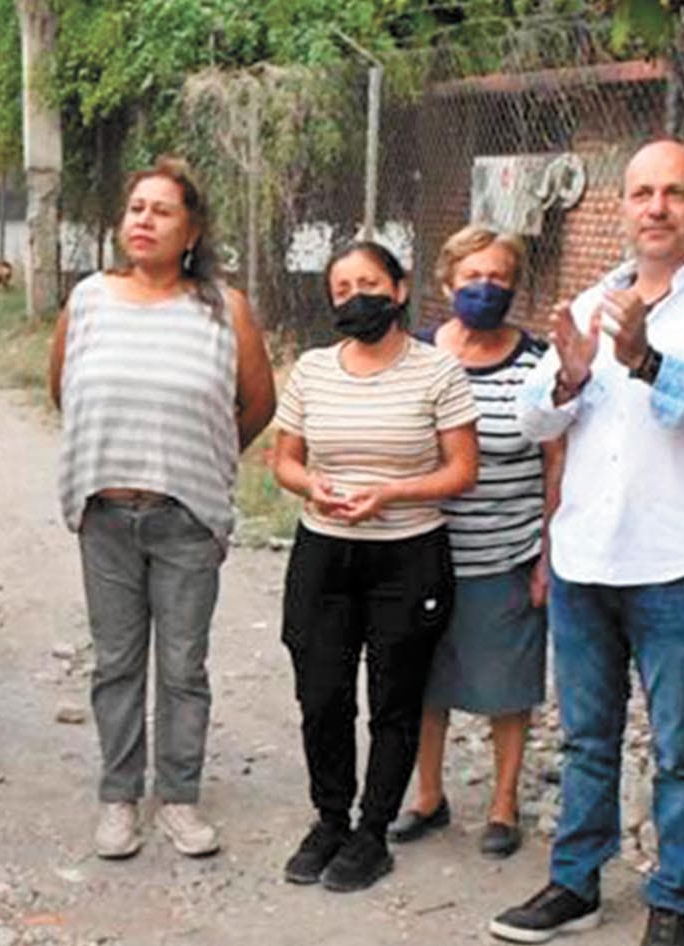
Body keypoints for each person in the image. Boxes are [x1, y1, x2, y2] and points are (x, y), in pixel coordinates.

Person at [487, 139, 684, 946]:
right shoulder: (591, 300)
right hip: (587, 557)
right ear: (622, 206)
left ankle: (676, 899)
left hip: (680, 563)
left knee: (681, 747)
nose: (656, 207)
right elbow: (530, 421)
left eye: (674, 193)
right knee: (587, 738)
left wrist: (649, 362)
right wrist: (569, 380)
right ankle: (575, 881)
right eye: (642, 192)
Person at [48, 156, 275, 861]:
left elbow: (257, 403)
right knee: (115, 663)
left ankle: (178, 798)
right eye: (136, 208)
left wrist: (200, 458)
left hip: (187, 518)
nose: (144, 220)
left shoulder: (224, 308)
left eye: (162, 210)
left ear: (192, 230)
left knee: (182, 666)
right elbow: (62, 390)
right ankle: (119, 797)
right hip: (106, 516)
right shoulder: (89, 299)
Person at [270, 240, 481, 892]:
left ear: (399, 288)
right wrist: (313, 487)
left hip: (409, 554)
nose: (355, 298)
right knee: (321, 694)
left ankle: (372, 831)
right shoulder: (313, 369)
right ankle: (330, 819)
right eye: (342, 289)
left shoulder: (438, 372)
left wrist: (391, 493)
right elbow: (284, 461)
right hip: (324, 552)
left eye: (368, 284)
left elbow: (462, 470)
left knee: (394, 697)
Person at [386, 225, 554, 860]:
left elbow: (556, 460)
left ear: (516, 285)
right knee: (424, 681)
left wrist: (547, 552)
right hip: (423, 549)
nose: (486, 288)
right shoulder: (418, 355)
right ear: (447, 281)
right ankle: (428, 797)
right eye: (473, 276)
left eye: (499, 277)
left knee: (507, 685)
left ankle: (503, 805)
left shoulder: (537, 364)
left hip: (506, 551)